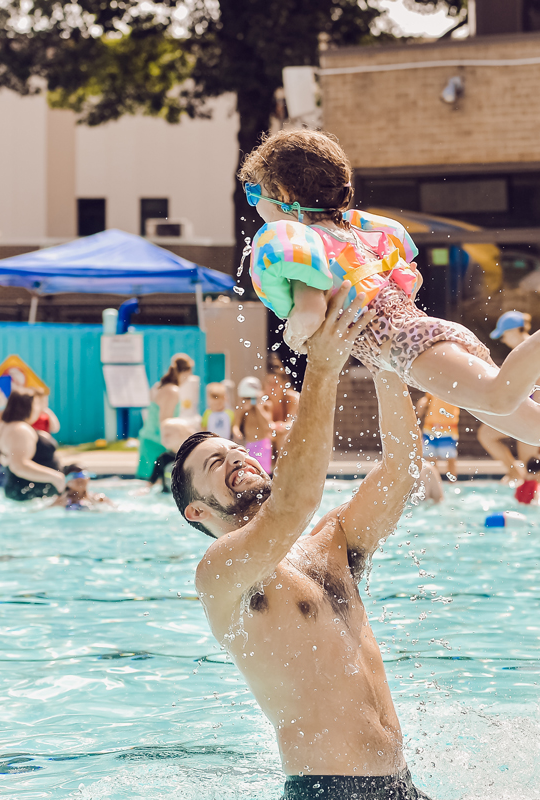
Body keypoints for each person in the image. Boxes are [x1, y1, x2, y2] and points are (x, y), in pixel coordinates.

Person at [241, 129, 540, 449]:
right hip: (427, 338)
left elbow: (305, 316)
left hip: (409, 347)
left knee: (502, 395)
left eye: (254, 193)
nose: (255, 205)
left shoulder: (303, 253)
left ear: (281, 191)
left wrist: (295, 339)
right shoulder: (354, 238)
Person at [171, 288, 436, 799]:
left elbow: (402, 470)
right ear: (198, 511)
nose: (235, 460)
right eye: (213, 465)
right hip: (327, 789)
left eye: (235, 450)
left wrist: (385, 356)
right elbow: (291, 506)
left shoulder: (330, 543)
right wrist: (324, 363)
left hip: (401, 787)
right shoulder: (222, 573)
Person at [477, 311, 540, 484]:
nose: (503, 340)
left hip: (530, 409)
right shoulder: (527, 347)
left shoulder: (530, 347)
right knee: (487, 435)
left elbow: (539, 382)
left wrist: (537, 414)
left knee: (531, 469)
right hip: (524, 408)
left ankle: (520, 478)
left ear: (513, 331)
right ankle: (516, 474)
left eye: (504, 335)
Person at [0, 387, 64, 501]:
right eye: (37, 404)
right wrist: (56, 478)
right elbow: (18, 466)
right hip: (31, 495)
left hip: (21, 493)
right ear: (28, 406)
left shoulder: (5, 427)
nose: (39, 409)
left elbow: (6, 458)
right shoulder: (20, 430)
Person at [136, 354, 194, 482]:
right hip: (157, 444)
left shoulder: (159, 386)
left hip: (150, 440)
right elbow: (165, 423)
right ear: (185, 372)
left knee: (147, 486)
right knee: (154, 484)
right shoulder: (172, 391)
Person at [234, 376, 276, 474]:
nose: (250, 400)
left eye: (252, 398)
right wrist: (237, 433)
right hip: (250, 444)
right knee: (251, 472)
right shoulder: (242, 408)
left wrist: (258, 406)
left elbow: (267, 425)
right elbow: (236, 425)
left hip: (264, 444)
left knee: (264, 473)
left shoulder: (266, 405)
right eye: (247, 398)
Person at [416, 392, 460, 479]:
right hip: (430, 427)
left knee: (450, 457)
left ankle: (452, 482)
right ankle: (435, 482)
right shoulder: (434, 385)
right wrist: (422, 403)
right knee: (430, 458)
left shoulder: (453, 387)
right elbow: (428, 398)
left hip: (448, 428)